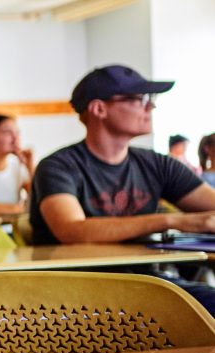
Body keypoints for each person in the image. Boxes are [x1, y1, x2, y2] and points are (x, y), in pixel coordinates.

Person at [29, 64, 215, 315]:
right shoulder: (58, 166)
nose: (151, 107)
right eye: (139, 99)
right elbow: (72, 230)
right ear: (99, 108)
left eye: (150, 99)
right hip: (70, 294)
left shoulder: (157, 164)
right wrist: (172, 220)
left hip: (145, 282)